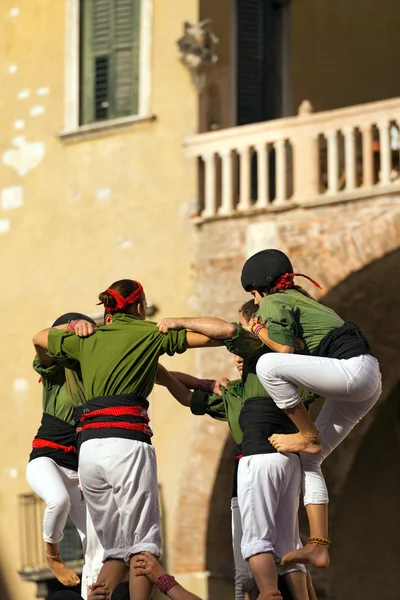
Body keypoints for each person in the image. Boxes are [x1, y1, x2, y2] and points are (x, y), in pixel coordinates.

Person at [32, 279, 220, 600]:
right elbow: (220, 334)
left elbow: (38, 338)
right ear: (139, 307)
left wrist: (74, 327)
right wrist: (179, 322)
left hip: (88, 454)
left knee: (111, 550)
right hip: (124, 445)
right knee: (143, 547)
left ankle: (97, 592)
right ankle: (64, 562)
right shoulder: (142, 335)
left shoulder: (85, 345)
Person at [239, 248, 382, 568]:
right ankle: (318, 545)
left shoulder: (274, 301)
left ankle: (306, 433)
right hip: (366, 380)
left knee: (268, 365)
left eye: (254, 297)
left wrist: (257, 330)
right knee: (309, 460)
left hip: (351, 372)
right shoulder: (303, 302)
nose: (257, 304)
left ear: (257, 290)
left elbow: (284, 350)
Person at [156, 311, 311, 600]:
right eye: (237, 358)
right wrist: (169, 375)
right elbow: (188, 393)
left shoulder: (266, 378)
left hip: (257, 463)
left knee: (259, 545)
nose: (238, 359)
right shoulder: (236, 391)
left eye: (242, 356)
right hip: (277, 464)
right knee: (277, 549)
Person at [28, 312, 103, 597]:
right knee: (57, 500)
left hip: (77, 468)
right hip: (46, 458)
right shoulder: (54, 369)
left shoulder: (92, 375)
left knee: (98, 542)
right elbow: (39, 340)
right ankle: (53, 556)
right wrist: (72, 326)